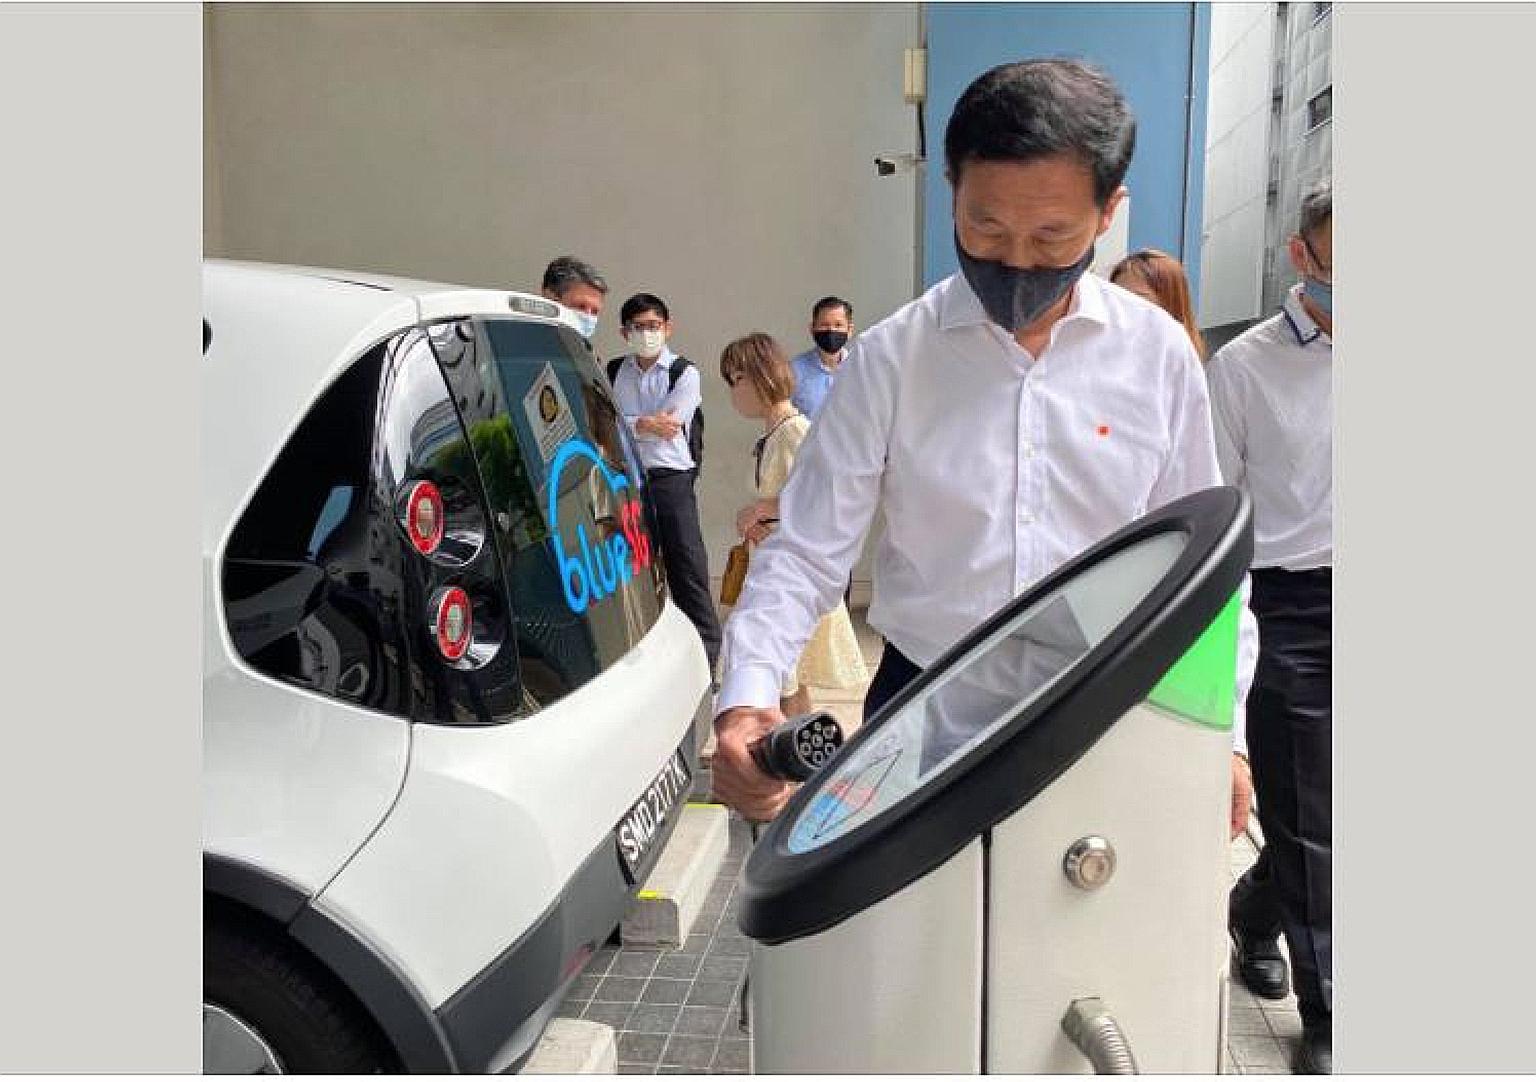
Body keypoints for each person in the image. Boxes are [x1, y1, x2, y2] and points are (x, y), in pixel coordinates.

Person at [710, 58, 1255, 843]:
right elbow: (804, 552)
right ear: (953, 196)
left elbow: (1205, 572)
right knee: (914, 942)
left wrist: (1225, 738)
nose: (1018, 263)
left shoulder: (1157, 357)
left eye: (1052, 235)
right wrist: (747, 696)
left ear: (1110, 214)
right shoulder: (892, 360)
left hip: (1105, 705)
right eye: (986, 230)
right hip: (919, 707)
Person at [1207, 180, 1333, 1075]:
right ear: (1304, 256)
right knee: (1315, 821)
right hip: (1287, 606)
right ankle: (1330, 1012)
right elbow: (1218, 523)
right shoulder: (1244, 370)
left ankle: (1258, 905)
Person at [719, 332, 869, 716]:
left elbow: (819, 495)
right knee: (786, 677)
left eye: (737, 379)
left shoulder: (794, 431)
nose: (734, 392)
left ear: (759, 376)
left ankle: (794, 760)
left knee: (783, 677)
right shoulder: (774, 433)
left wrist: (763, 511)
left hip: (791, 574)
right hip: (771, 564)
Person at [607, 292, 722, 673]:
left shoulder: (684, 373)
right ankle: (643, 661)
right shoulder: (611, 371)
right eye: (638, 327)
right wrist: (642, 423)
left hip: (672, 481)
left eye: (653, 326)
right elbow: (608, 425)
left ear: (668, 327)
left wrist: (631, 423)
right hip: (627, 480)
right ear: (624, 332)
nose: (646, 333)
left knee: (686, 565)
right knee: (634, 566)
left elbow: (671, 426)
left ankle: (706, 660)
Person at [1108, 248, 1207, 359]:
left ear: (1172, 303)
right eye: (1117, 297)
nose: (1123, 307)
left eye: (1139, 299)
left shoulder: (1179, 359)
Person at [789, 296, 855, 421]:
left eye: (838, 325)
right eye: (824, 325)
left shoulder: (860, 369)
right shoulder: (793, 371)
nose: (831, 330)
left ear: (849, 330)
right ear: (812, 329)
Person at [540, 255, 607, 339]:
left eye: (594, 312)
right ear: (549, 298)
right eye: (580, 306)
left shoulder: (580, 351)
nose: (588, 317)